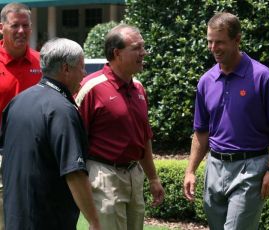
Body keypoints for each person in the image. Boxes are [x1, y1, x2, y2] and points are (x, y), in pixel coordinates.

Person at [183, 12, 269, 230]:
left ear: (237, 39)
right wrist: (191, 170)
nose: (213, 48)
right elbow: (201, 131)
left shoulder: (263, 77)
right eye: (210, 41)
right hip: (215, 168)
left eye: (220, 42)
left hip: (250, 169)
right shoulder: (206, 81)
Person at [0, 38, 101, 230]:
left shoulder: (18, 102)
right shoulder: (63, 110)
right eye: (81, 67)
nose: (84, 73)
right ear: (66, 69)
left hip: (16, 216)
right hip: (47, 218)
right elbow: (74, 172)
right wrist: (94, 221)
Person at [75, 24, 164, 230]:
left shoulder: (139, 88)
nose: (144, 53)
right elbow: (72, 138)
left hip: (134, 174)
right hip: (104, 175)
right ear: (117, 53)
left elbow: (144, 138)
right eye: (137, 48)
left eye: (143, 47)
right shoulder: (90, 88)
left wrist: (153, 177)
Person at [0, 3, 42, 229]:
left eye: (25, 26)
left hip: (36, 156)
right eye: (15, 25)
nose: (21, 31)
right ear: (1, 28)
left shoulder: (42, 63)